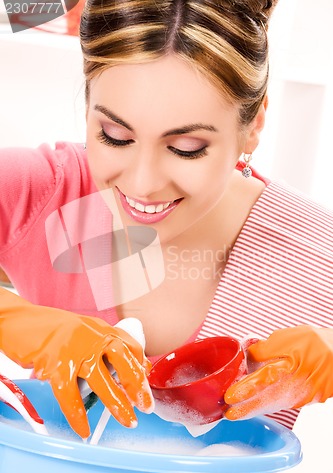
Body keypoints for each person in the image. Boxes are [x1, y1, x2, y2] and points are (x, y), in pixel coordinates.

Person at [0, 0, 332, 438]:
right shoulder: (45, 193)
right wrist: (17, 323)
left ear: (254, 124)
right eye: (115, 137)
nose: (142, 184)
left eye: (187, 147)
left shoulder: (314, 253)